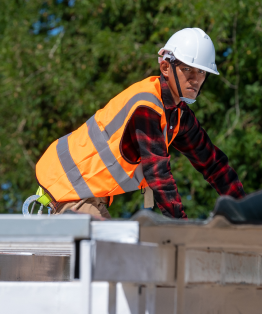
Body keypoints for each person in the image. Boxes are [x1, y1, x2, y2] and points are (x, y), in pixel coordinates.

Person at [35, 27, 244, 219]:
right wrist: (181, 228)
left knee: (122, 251)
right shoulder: (146, 105)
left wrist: (245, 210)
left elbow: (213, 163)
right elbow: (158, 173)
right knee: (114, 252)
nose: (196, 79)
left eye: (201, 72)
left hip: (84, 191)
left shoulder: (178, 115)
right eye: (188, 69)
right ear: (165, 67)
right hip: (67, 187)